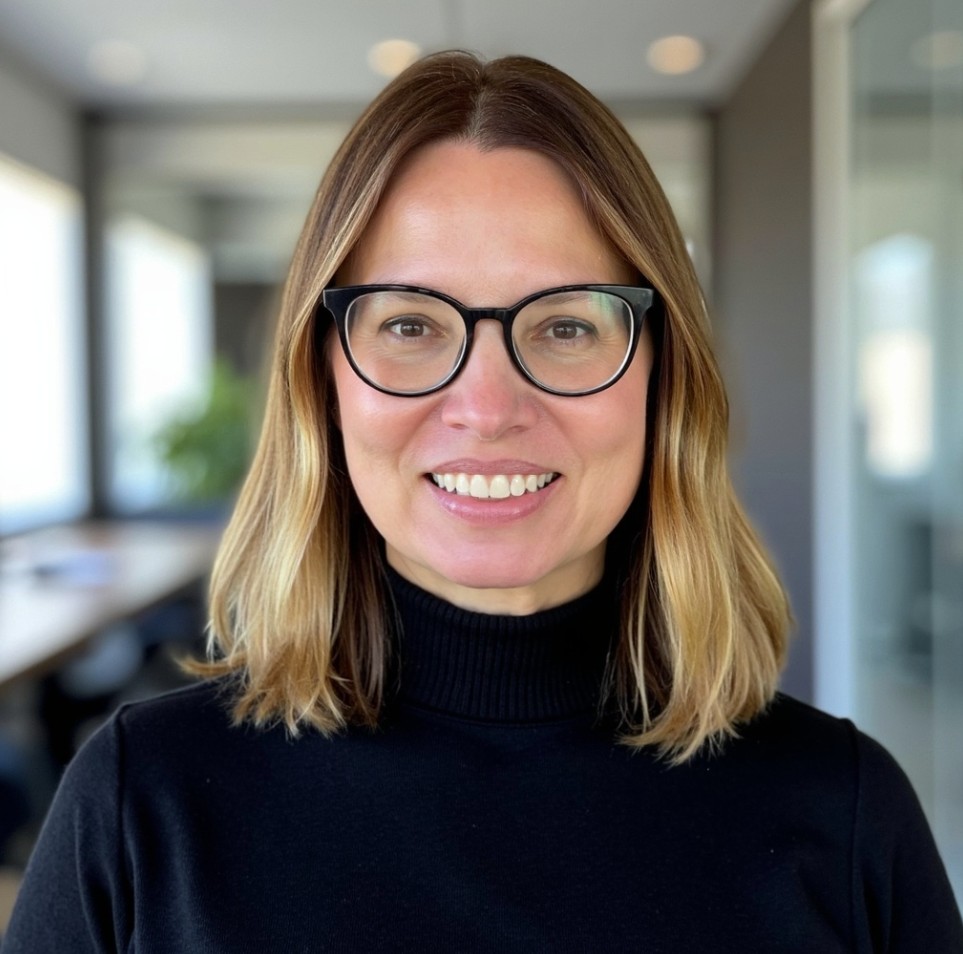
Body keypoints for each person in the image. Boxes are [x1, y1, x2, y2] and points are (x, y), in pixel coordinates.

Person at [5, 51, 962, 953]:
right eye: (410, 324)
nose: (489, 407)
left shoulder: (844, 814)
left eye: (566, 326)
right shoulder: (142, 804)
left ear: (662, 378)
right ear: (321, 381)